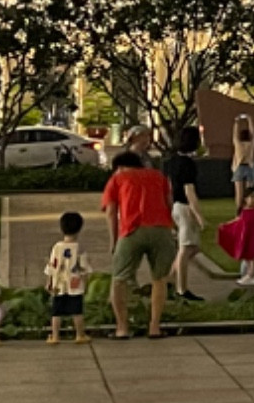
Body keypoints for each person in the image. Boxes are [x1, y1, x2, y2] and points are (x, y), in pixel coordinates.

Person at [101, 149, 175, 339]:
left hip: (131, 231)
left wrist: (114, 240)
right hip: (161, 230)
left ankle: (122, 328)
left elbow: (111, 212)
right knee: (159, 280)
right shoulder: (159, 176)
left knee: (119, 279)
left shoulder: (117, 179)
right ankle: (154, 327)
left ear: (119, 167)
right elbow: (169, 203)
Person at [165, 128, 205, 303]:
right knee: (186, 248)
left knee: (192, 247)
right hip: (184, 206)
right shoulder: (187, 164)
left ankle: (169, 280)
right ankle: (182, 288)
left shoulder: (171, 162)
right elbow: (189, 191)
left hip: (176, 206)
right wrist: (198, 214)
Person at [44, 211, 91, 344]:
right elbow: (84, 269)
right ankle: (80, 334)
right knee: (77, 310)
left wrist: (49, 282)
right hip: (75, 283)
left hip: (58, 284)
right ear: (79, 229)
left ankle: (55, 336)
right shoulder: (80, 248)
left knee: (56, 312)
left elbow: (52, 266)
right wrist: (86, 284)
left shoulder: (56, 247)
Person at [218, 196, 254, 283]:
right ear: (246, 199)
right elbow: (238, 220)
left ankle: (251, 275)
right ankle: (249, 274)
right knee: (248, 256)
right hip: (246, 237)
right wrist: (226, 224)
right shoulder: (244, 210)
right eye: (251, 197)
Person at [231, 116, 254, 209]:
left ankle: (238, 212)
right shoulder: (251, 144)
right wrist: (249, 120)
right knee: (249, 192)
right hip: (249, 166)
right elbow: (253, 133)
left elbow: (234, 135)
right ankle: (249, 209)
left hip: (239, 167)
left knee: (239, 192)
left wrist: (236, 122)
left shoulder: (238, 144)